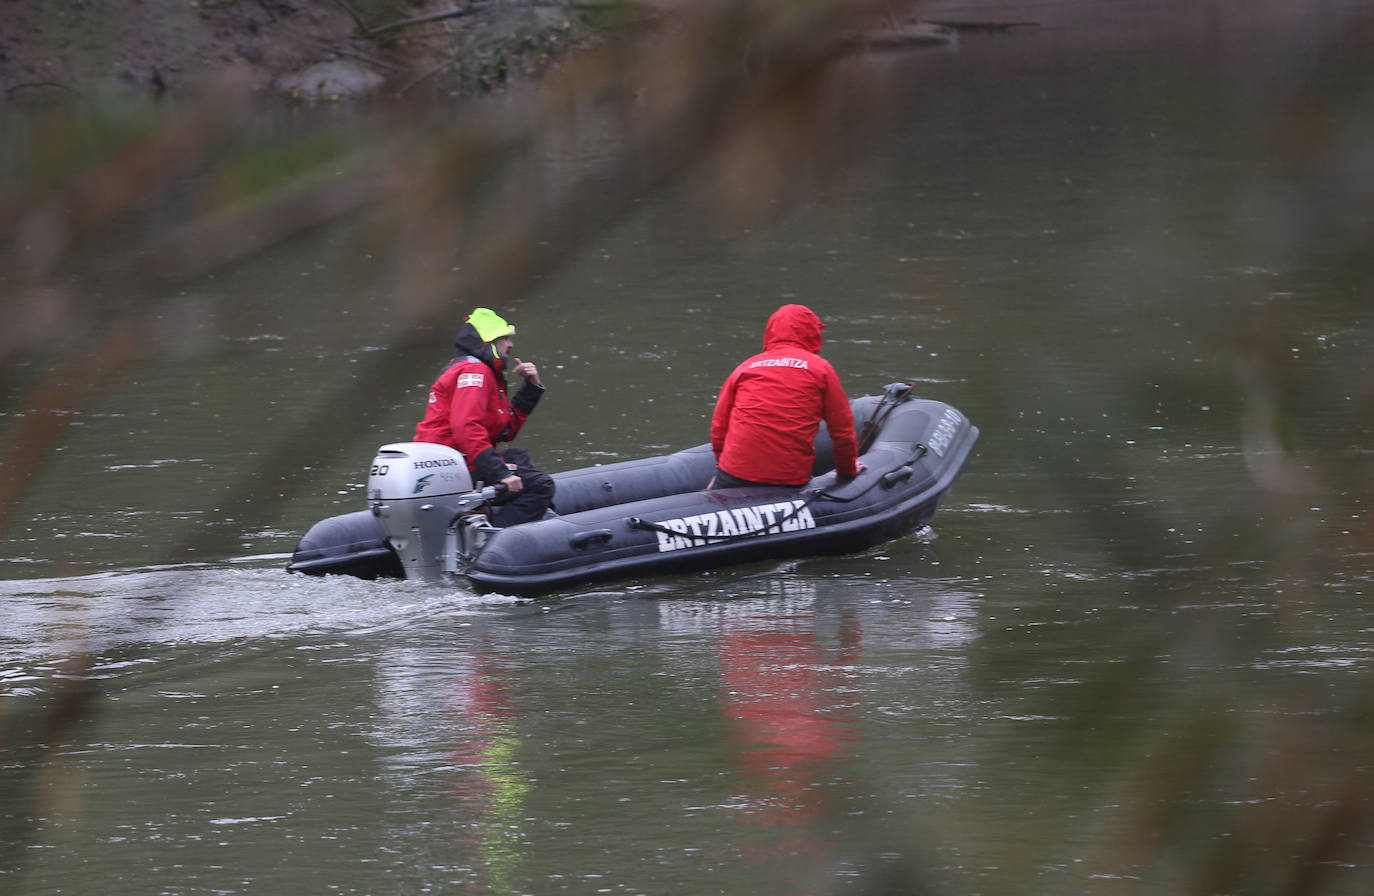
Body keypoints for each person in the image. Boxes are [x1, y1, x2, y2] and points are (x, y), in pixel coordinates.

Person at [414, 308, 555, 527]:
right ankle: (494, 543)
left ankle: (535, 526)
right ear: (488, 343)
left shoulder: (480, 371)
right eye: (504, 338)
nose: (510, 344)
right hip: (452, 468)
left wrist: (531, 387)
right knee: (540, 486)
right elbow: (466, 428)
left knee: (518, 457)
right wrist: (500, 475)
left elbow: (505, 431)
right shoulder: (475, 372)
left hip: (460, 462)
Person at [709, 304, 866, 489]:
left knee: (712, 490)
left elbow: (719, 428)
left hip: (735, 474)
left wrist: (724, 467)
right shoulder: (821, 369)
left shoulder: (746, 366)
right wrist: (847, 472)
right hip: (787, 481)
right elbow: (842, 432)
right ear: (812, 333)